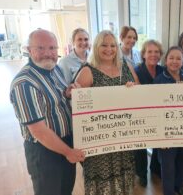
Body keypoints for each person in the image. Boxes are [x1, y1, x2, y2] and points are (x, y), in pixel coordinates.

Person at [10, 29, 85, 195]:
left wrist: (67, 92)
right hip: (44, 152)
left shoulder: (54, 69)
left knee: (66, 189)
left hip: (65, 142)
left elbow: (57, 97)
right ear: (29, 50)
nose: (48, 53)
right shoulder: (25, 83)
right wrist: (68, 152)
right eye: (41, 48)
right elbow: (39, 131)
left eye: (52, 48)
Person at [74, 30, 139, 195]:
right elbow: (77, 106)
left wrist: (132, 90)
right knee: (102, 181)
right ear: (96, 47)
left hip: (123, 133)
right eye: (104, 45)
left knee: (123, 178)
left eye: (112, 45)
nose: (109, 49)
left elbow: (140, 93)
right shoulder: (87, 71)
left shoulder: (125, 66)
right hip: (100, 138)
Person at [154, 46, 183, 195]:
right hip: (166, 131)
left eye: (178, 58)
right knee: (168, 165)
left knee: (182, 161)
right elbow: (154, 109)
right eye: (171, 58)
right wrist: (159, 137)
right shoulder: (159, 80)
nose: (175, 61)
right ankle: (169, 191)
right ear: (166, 60)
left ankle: (180, 186)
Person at [134, 39, 164, 186]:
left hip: (159, 113)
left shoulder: (162, 70)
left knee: (160, 141)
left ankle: (155, 168)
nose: (153, 54)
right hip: (141, 113)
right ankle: (141, 174)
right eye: (150, 51)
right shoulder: (136, 71)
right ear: (143, 54)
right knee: (140, 145)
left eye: (156, 51)